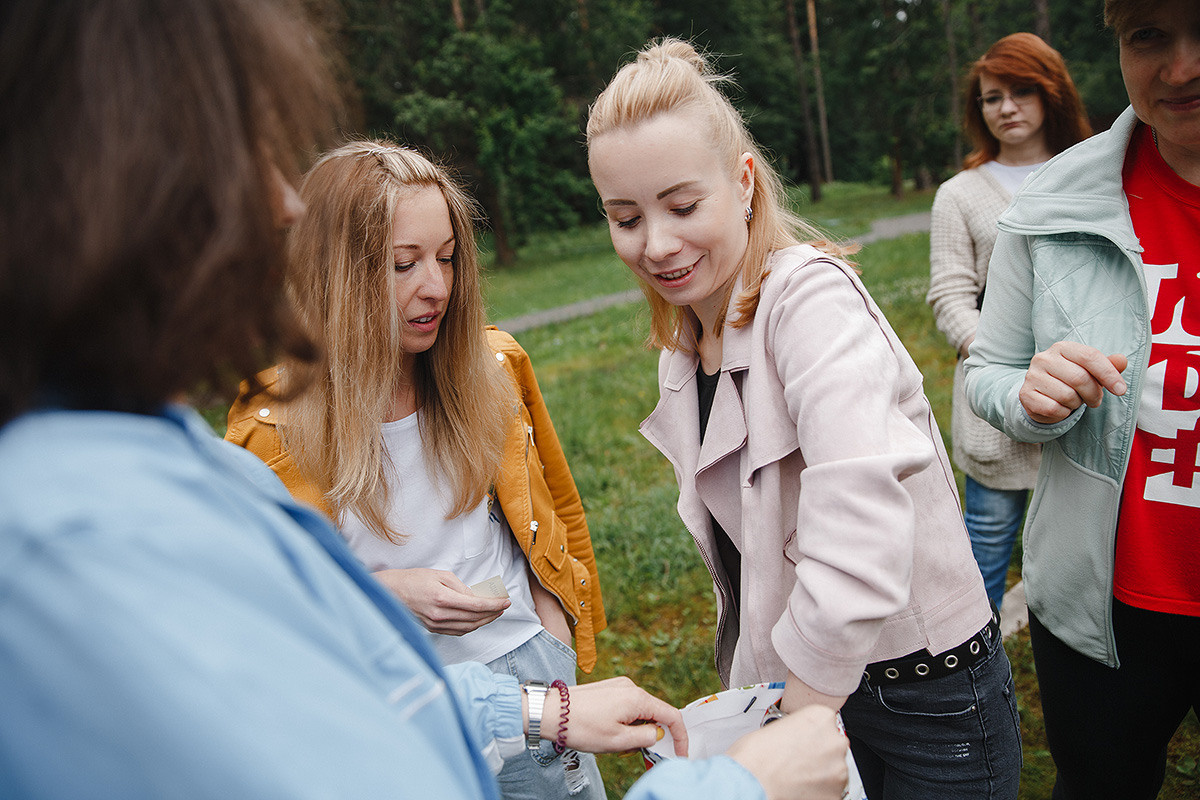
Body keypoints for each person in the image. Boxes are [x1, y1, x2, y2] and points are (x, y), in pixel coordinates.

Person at [0, 1, 853, 799]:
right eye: (238, 143)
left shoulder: (160, 468)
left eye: (445, 258)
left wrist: (548, 686)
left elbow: (372, 690)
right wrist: (743, 785)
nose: (282, 200)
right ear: (100, 175)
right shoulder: (90, 542)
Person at [586, 37, 1021, 800]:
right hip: (804, 688)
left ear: (745, 183)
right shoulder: (684, 345)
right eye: (625, 218)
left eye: (683, 206)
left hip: (923, 695)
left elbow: (857, 525)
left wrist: (795, 718)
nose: (656, 244)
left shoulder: (810, 299)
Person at [224, 140, 607, 800]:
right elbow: (269, 613)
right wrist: (388, 593)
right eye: (404, 265)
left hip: (534, 679)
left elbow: (558, 512)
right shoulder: (269, 424)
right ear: (332, 275)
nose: (437, 287)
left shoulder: (493, 368)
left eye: (447, 258)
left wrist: (556, 635)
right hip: (398, 706)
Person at [964, 1, 1200, 797]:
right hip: (1100, 609)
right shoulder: (1056, 198)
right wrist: (1028, 396)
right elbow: (986, 369)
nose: (1180, 67)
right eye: (1149, 37)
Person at [927, 32, 1092, 608]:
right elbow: (950, 294)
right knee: (990, 534)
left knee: (1088, 541)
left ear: (1053, 95)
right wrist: (1002, 364)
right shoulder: (960, 194)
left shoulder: (1090, 175)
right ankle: (977, 654)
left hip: (1089, 394)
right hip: (999, 402)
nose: (1007, 108)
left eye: (1022, 91)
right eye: (992, 97)